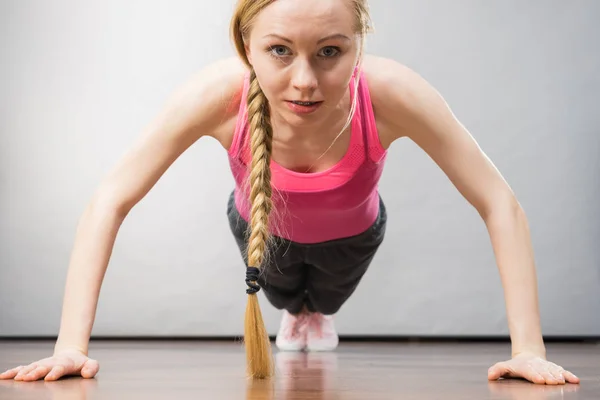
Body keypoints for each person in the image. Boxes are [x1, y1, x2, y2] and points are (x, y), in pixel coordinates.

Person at [0, 0, 580, 385]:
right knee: (282, 297)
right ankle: (296, 315)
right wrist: (70, 343)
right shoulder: (214, 95)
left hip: (354, 238)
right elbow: (111, 198)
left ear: (358, 45)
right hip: (256, 226)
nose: (305, 81)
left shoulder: (393, 94)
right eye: (280, 51)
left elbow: (498, 200)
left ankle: (313, 316)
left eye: (330, 52)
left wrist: (529, 347)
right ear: (246, 47)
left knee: (321, 300)